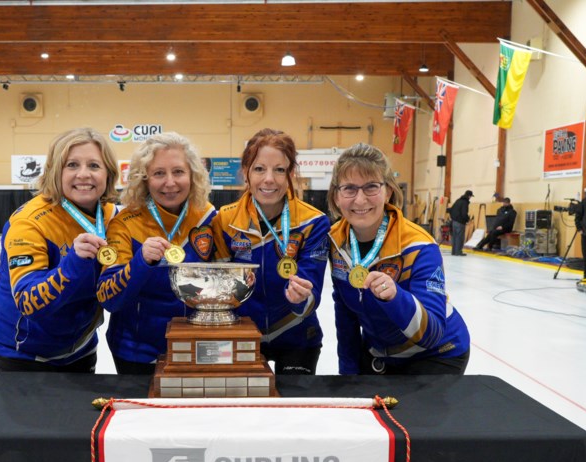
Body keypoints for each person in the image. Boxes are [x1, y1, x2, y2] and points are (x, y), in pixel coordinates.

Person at [0, 127, 119, 372]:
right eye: (72, 165)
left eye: (94, 166)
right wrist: (74, 261)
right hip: (22, 350)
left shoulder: (113, 217)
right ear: (56, 171)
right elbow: (27, 300)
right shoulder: (29, 222)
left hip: (80, 344)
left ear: (108, 173)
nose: (84, 174)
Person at [328, 143, 470, 375]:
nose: (360, 200)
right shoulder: (335, 241)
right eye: (349, 189)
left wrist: (396, 297)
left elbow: (431, 334)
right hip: (380, 353)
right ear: (336, 196)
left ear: (388, 191)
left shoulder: (419, 246)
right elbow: (344, 312)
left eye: (371, 187)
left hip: (437, 353)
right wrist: (348, 375)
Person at [97, 132, 218, 375]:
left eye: (178, 172)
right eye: (159, 173)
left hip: (195, 348)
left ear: (192, 176)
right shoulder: (125, 223)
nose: (170, 182)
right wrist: (140, 261)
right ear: (144, 179)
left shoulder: (208, 217)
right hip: (137, 353)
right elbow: (108, 297)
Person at [211, 128, 330, 374]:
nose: (269, 179)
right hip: (243, 335)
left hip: (297, 334)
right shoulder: (225, 220)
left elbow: (312, 292)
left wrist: (301, 297)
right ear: (245, 173)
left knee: (293, 409)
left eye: (279, 169)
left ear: (290, 174)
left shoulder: (313, 222)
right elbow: (219, 288)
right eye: (259, 169)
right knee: (244, 411)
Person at [448, 189, 473, 256]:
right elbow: (464, 213)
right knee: (460, 237)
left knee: (454, 237)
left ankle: (454, 252)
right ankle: (458, 252)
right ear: (469, 196)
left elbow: (450, 210)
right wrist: (467, 219)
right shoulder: (465, 202)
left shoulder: (458, 201)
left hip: (454, 222)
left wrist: (453, 218)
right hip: (460, 222)